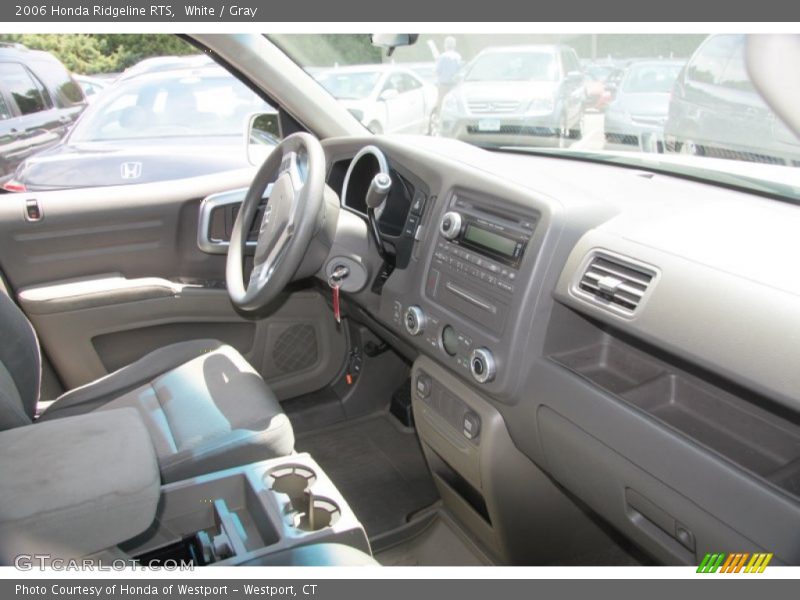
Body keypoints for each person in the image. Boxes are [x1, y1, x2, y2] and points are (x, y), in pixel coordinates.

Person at [435, 36, 462, 112]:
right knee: (454, 104)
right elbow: (459, 70)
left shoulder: (442, 56)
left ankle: (440, 118)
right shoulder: (458, 57)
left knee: (441, 103)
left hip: (443, 85)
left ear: (446, 45)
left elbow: (438, 70)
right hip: (454, 85)